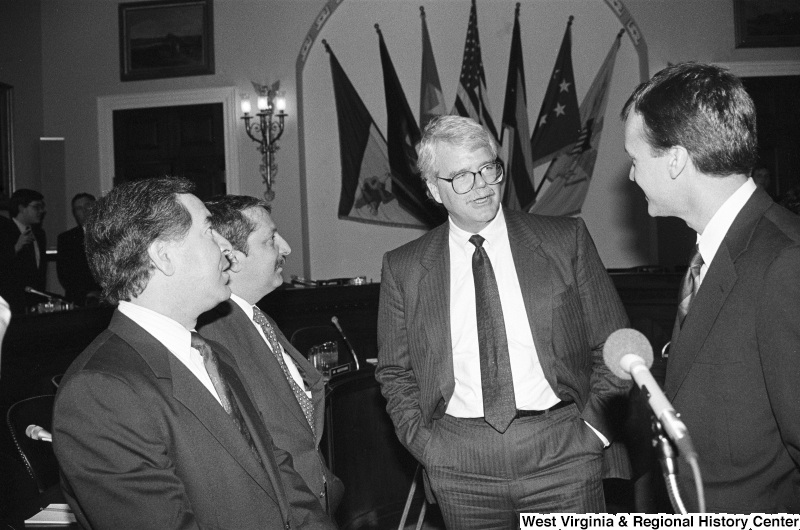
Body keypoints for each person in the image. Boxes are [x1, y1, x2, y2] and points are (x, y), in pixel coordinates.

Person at [375, 115, 631, 527]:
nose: (481, 184)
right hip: (460, 463)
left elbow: (615, 344)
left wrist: (593, 434)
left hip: (562, 451)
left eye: (488, 168)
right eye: (461, 176)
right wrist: (428, 447)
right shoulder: (404, 268)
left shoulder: (564, 240)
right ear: (432, 190)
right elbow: (395, 373)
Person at [52, 177, 335, 529]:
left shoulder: (213, 354)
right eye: (209, 232)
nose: (227, 250)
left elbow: (280, 476)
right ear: (164, 256)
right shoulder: (100, 392)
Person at [621, 62, 800, 512]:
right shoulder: (718, 246)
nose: (631, 176)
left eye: (636, 160)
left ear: (677, 160)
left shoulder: (785, 262)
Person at [198, 195, 345, 515]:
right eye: (270, 240)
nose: (286, 247)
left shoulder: (258, 319)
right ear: (231, 256)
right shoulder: (212, 336)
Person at [0, 189, 47, 313]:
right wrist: (16, 247)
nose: (41, 211)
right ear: (21, 208)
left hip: (36, 304)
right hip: (11, 306)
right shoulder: (3, 230)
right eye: (37, 207)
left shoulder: (40, 234)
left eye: (42, 207)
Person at [56, 192, 101, 305]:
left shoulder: (110, 234)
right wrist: (87, 293)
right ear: (75, 213)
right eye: (79, 208)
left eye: (87, 206)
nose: (84, 211)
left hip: (109, 298)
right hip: (79, 300)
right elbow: (65, 274)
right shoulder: (66, 239)